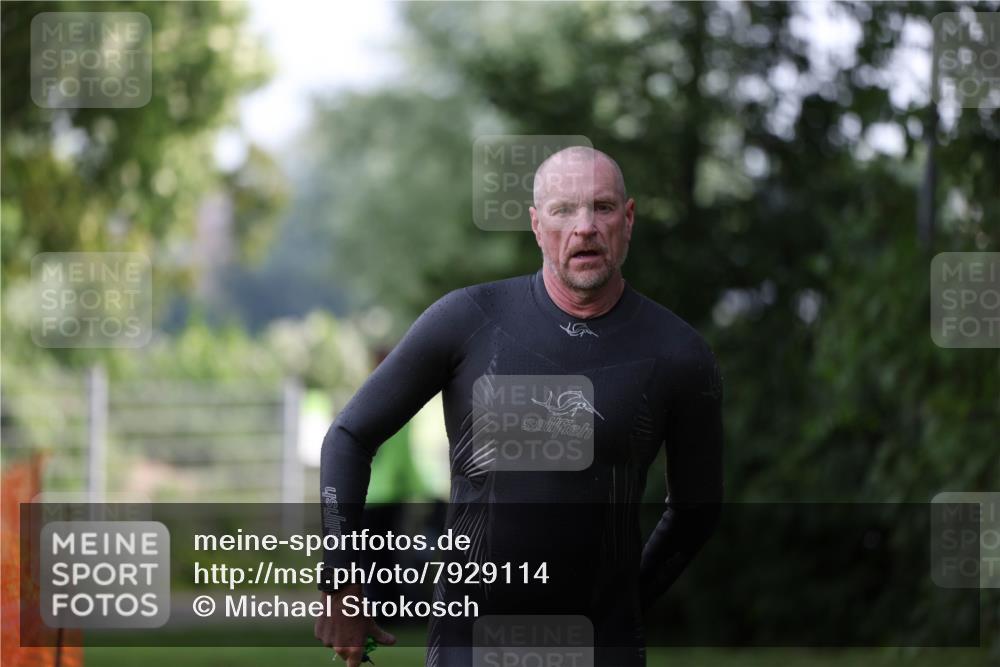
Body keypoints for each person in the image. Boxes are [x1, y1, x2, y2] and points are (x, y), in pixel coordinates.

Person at [314, 146, 724, 666]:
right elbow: (349, 437)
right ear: (536, 224)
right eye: (563, 210)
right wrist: (340, 579)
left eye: (601, 207)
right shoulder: (467, 321)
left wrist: (626, 606)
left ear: (628, 218)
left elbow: (698, 510)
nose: (585, 227)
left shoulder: (678, 354)